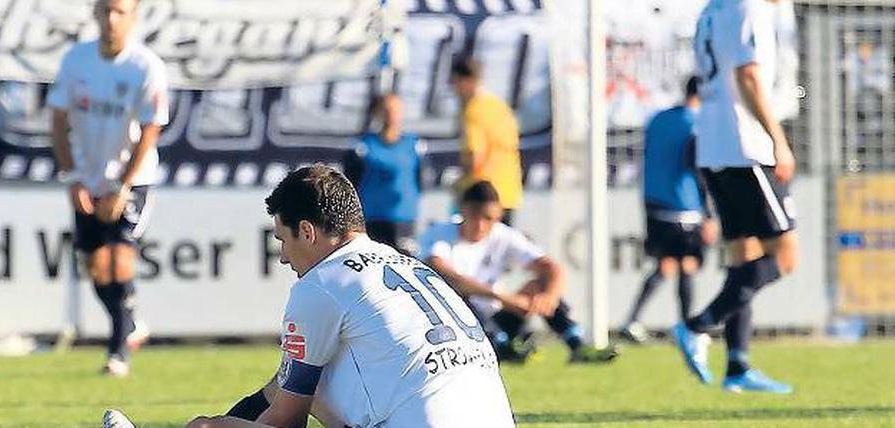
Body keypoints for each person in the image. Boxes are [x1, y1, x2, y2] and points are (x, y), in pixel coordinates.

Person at [104, 166, 516, 428]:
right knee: (313, 376)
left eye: (282, 240)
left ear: (307, 231)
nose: (284, 257)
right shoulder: (409, 265)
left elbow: (285, 420)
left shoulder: (322, 283)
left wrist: (213, 424)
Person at [674, 0, 798, 393]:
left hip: (713, 145)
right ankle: (698, 325)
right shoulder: (749, 8)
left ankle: (738, 366)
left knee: (743, 256)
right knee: (785, 256)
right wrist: (778, 139)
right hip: (747, 146)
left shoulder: (713, 9)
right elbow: (748, 75)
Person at [48, 0, 168, 377]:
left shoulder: (145, 66)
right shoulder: (76, 61)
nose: (112, 20)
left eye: (120, 12)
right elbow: (58, 119)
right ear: (95, 14)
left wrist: (122, 185)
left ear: (133, 17)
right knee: (96, 266)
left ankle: (118, 352)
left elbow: (150, 129)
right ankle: (130, 322)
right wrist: (71, 177)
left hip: (132, 179)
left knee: (120, 259)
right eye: (106, 11)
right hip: (87, 177)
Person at [418, 181, 617, 364]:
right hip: (455, 322)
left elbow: (551, 268)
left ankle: (576, 345)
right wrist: (503, 298)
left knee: (539, 286)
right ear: (463, 211)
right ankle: (503, 347)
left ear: (498, 215)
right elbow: (442, 273)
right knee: (459, 297)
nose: (480, 225)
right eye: (474, 217)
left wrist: (549, 297)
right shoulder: (440, 233)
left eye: (488, 218)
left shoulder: (503, 235)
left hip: (496, 317)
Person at [619, 77, 718, 344]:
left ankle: (632, 321)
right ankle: (688, 329)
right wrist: (710, 214)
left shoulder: (658, 119)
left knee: (665, 264)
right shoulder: (697, 123)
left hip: (653, 203)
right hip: (684, 205)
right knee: (687, 264)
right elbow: (698, 167)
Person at [343, 93, 424, 253]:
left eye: (395, 110)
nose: (391, 115)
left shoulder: (414, 145)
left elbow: (422, 179)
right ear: (378, 113)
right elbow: (351, 180)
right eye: (386, 110)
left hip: (404, 219)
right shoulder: (363, 146)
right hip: (372, 218)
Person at [450, 58, 523, 225]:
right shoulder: (499, 106)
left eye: (455, 83)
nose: (454, 90)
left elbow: (475, 155)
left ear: (465, 81)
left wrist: (460, 184)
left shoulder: (473, 110)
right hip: (508, 191)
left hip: (482, 196)